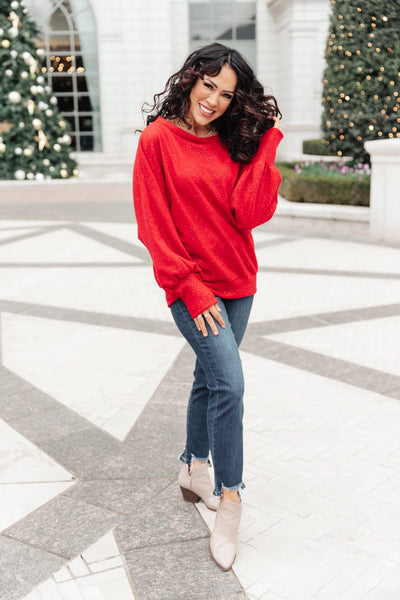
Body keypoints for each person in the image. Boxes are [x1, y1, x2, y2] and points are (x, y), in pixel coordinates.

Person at [133, 42, 282, 571]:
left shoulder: (232, 141)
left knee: (210, 379)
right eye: (208, 86)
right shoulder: (157, 140)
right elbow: (154, 226)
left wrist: (266, 145)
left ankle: (193, 467)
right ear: (191, 79)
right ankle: (231, 500)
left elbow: (249, 213)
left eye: (227, 94)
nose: (214, 100)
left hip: (239, 282)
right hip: (192, 287)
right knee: (231, 384)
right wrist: (190, 288)